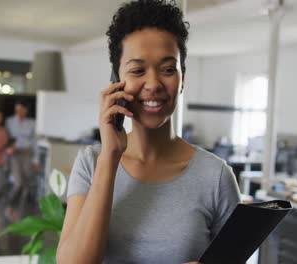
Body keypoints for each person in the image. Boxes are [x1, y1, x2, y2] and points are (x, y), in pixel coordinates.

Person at [57, 1, 241, 263]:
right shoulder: (91, 163)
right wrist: (110, 156)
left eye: (168, 69)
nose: (153, 84)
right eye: (137, 70)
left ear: (183, 79)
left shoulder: (216, 177)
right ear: (116, 80)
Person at [5, 100, 39, 220]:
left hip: (27, 154)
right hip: (14, 155)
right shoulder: (9, 122)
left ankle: (19, 210)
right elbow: (6, 140)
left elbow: (35, 142)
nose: (18, 111)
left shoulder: (31, 123)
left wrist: (36, 160)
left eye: (21, 109)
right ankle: (9, 206)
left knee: (25, 185)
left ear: (26, 110)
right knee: (18, 183)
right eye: (17, 109)